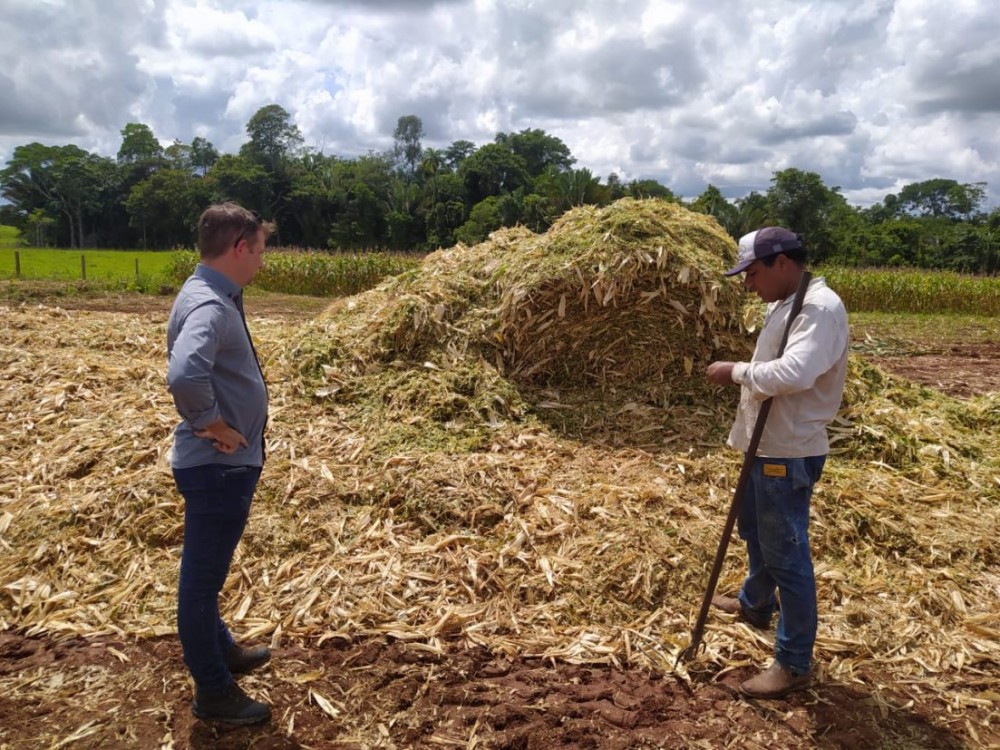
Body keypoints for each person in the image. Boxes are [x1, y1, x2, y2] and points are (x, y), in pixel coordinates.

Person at [705, 226, 849, 699]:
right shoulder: (787, 303)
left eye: (752, 273)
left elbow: (796, 372)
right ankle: (754, 604)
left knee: (787, 557)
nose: (748, 284)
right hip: (764, 444)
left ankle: (792, 664)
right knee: (758, 534)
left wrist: (735, 372)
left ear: (782, 262)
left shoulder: (818, 309)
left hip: (787, 452)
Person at [166, 202, 275, 724]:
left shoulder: (206, 292)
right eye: (258, 251)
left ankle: (223, 649)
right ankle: (212, 689)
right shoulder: (211, 303)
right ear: (239, 248)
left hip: (218, 465)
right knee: (202, 581)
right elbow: (185, 376)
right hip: (218, 465)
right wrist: (213, 425)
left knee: (205, 575)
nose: (260, 262)